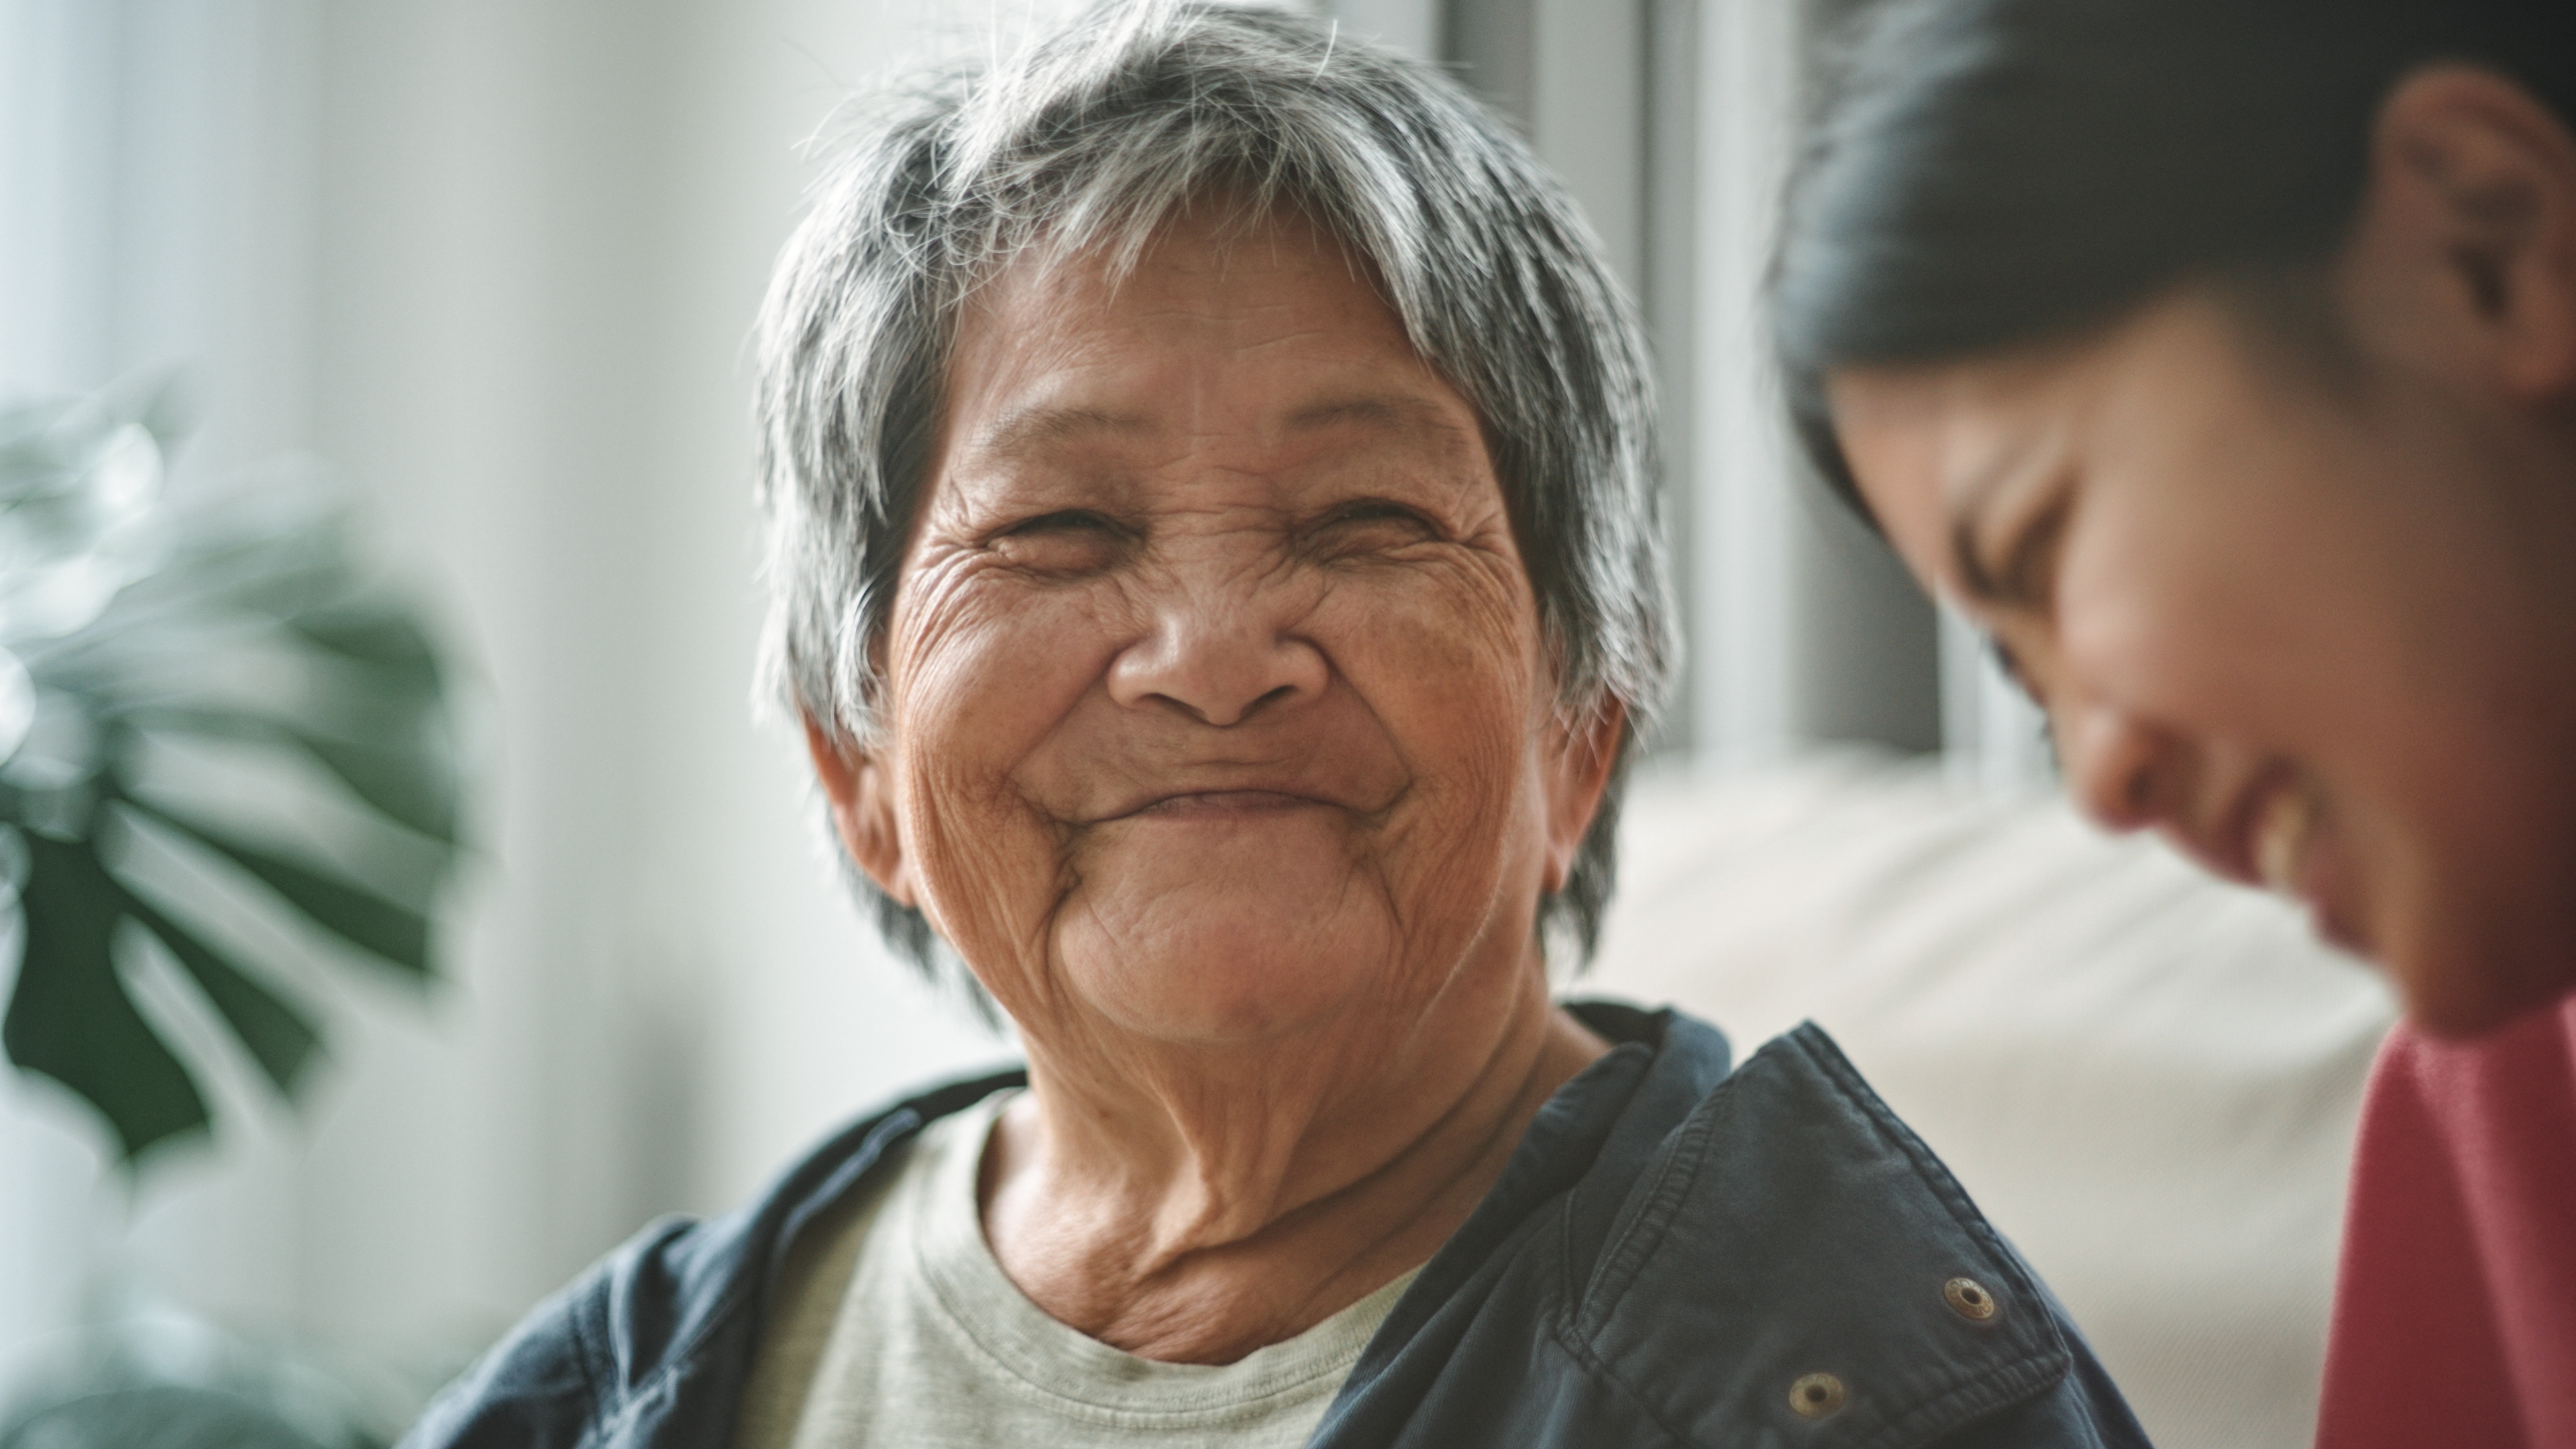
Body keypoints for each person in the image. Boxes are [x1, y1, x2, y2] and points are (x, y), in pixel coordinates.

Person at [398, 4, 2148, 1447]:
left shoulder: (1859, 1384)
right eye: (1060, 534)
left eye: (1367, 525)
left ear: (1583, 732)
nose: (1215, 657)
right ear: (855, 767)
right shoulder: (629, 1385)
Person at [1769, 1, 2576, 1444]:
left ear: (2492, 247)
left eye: (2043, 544)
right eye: (2027, 687)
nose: (2105, 781)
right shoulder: (2491, 1110)